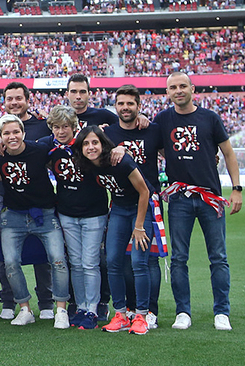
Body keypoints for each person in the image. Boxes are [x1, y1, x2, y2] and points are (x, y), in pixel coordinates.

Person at [155, 72, 242, 331]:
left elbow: (228, 153)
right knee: (179, 258)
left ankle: (222, 312)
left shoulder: (210, 118)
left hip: (210, 198)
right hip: (179, 199)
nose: (178, 91)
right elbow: (156, 146)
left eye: (183, 86)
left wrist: (236, 189)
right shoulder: (162, 119)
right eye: (173, 87)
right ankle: (183, 312)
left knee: (218, 257)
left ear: (193, 89)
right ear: (167, 93)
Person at [0, 114, 69, 329]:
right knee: (10, 262)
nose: (12, 136)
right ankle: (25, 308)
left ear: (24, 133)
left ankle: (61, 309)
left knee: (57, 259)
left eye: (16, 132)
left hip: (44, 213)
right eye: (6, 133)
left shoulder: (39, 149)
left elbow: (58, 156)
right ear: (0, 136)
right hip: (13, 215)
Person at [74, 125, 153, 335]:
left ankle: (142, 316)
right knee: (112, 261)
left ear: (103, 144)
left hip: (140, 208)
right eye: (86, 143)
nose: (91, 147)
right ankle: (120, 314)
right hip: (118, 209)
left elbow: (144, 191)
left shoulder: (120, 161)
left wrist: (139, 226)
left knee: (138, 262)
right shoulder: (88, 165)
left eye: (95, 142)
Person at [0, 82, 54, 321]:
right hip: (7, 198)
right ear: (4, 101)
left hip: (38, 202)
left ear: (28, 100)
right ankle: (8, 300)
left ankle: (46, 301)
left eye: (19, 98)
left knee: (42, 254)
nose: (14, 102)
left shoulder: (42, 124)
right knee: (6, 253)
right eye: (10, 98)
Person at [43, 106, 108, 330]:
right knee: (77, 263)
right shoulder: (49, 147)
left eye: (65, 126)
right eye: (56, 127)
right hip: (67, 213)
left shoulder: (85, 144)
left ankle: (93, 309)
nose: (61, 131)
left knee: (90, 262)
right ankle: (80, 306)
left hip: (94, 212)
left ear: (74, 127)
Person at [104, 84, 164, 327]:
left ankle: (148, 311)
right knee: (114, 260)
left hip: (146, 204)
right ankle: (123, 311)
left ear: (139, 106)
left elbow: (170, 153)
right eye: (121, 103)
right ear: (115, 106)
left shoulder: (153, 130)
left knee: (145, 261)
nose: (125, 107)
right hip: (119, 204)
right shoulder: (108, 134)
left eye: (130, 103)